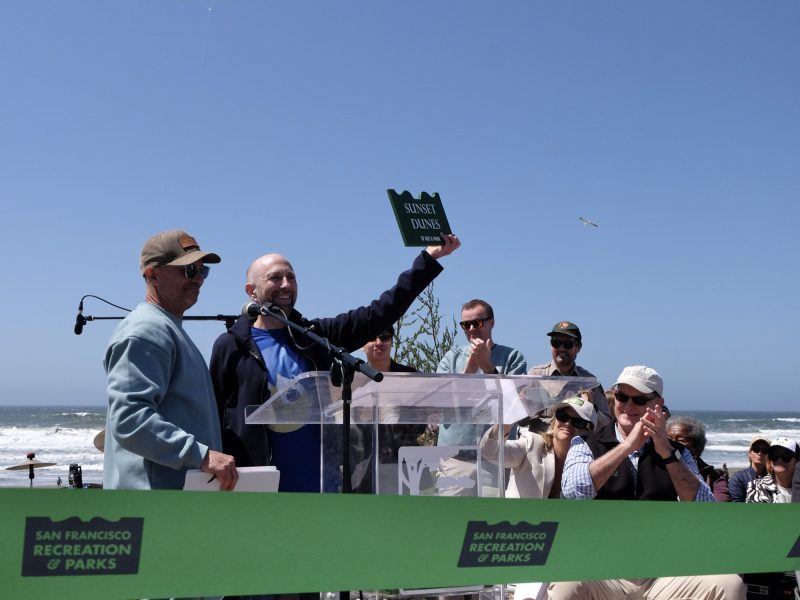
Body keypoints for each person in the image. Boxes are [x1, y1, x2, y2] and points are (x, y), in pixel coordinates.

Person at [210, 235, 460, 492]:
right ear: (251, 291)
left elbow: (380, 312)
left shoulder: (316, 336)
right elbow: (215, 414)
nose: (286, 284)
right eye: (275, 278)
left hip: (319, 485)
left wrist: (428, 260)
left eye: (291, 277)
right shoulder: (232, 346)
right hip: (256, 486)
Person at [549, 365, 746, 600]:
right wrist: (626, 448)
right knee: (565, 585)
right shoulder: (586, 443)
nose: (628, 406)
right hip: (601, 570)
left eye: (639, 399)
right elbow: (573, 494)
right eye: (622, 396)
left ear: (657, 404)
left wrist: (665, 450)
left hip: (663, 573)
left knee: (729, 584)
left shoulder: (678, 453)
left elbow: (703, 508)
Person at [103, 230, 238, 491]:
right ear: (152, 274)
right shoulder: (145, 331)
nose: (198, 279)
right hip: (154, 510)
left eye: (203, 270)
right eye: (188, 270)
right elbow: (130, 418)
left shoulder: (168, 329)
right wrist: (202, 455)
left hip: (174, 506)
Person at [435, 299, 527, 496]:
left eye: (476, 323)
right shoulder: (450, 358)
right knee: (452, 522)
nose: (470, 329)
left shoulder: (513, 358)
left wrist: (487, 367)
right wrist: (469, 369)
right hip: (456, 460)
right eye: (465, 325)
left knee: (495, 522)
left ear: (491, 322)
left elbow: (515, 405)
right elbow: (442, 403)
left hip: (498, 458)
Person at [480, 395, 596, 499]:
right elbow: (490, 452)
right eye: (562, 416)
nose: (567, 423)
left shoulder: (592, 462)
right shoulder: (532, 443)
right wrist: (511, 416)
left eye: (578, 421)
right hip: (521, 520)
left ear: (589, 430)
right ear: (554, 420)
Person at [353, 326, 422, 494]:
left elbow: (420, 424)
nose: (379, 342)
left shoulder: (410, 376)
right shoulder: (351, 380)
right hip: (361, 470)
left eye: (384, 337)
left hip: (403, 467)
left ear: (392, 341)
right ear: (362, 345)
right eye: (372, 337)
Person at [528, 321, 610, 430]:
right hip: (541, 443)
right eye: (556, 343)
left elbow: (606, 423)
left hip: (574, 444)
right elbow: (520, 422)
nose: (561, 348)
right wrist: (528, 407)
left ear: (578, 347)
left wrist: (591, 409)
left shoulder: (589, 382)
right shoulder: (535, 376)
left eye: (567, 344)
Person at [667, 414, 730, 501]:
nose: (672, 444)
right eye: (668, 440)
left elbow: (720, 507)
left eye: (680, 440)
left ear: (696, 450)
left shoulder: (714, 477)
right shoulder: (653, 472)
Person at [746, 437, 799, 503]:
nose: (779, 460)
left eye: (786, 455)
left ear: (797, 460)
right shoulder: (756, 487)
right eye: (774, 455)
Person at [728, 436, 770, 502]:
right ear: (750, 453)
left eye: (765, 450)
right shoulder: (738, 478)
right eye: (756, 449)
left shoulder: (774, 477)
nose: (760, 453)